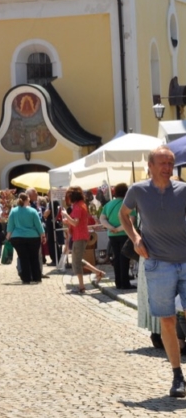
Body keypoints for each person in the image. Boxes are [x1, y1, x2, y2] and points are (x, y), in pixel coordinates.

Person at [120, 145, 186, 398]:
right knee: (167, 319)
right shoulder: (137, 190)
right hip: (158, 263)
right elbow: (125, 216)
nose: (168, 168)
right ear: (150, 165)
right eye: (163, 163)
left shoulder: (183, 190)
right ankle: (177, 375)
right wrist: (135, 238)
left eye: (170, 163)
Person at [61, 187, 105, 293]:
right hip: (80, 236)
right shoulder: (80, 205)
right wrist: (68, 220)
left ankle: (82, 286)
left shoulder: (78, 206)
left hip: (79, 236)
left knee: (76, 261)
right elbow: (77, 222)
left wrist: (66, 215)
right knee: (78, 260)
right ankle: (98, 273)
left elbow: (75, 223)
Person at [6, 193, 44, 284]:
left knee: (23, 258)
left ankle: (26, 278)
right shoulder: (33, 211)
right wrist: (43, 235)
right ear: (27, 200)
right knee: (34, 257)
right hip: (33, 236)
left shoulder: (14, 211)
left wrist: (8, 236)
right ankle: (37, 277)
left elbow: (10, 225)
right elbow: (38, 225)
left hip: (17, 237)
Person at [100, 182, 132, 290]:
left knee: (117, 258)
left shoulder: (108, 204)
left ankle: (118, 282)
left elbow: (102, 219)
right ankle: (125, 283)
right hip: (125, 233)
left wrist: (111, 228)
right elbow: (131, 221)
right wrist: (118, 229)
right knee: (125, 258)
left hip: (112, 235)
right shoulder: (127, 204)